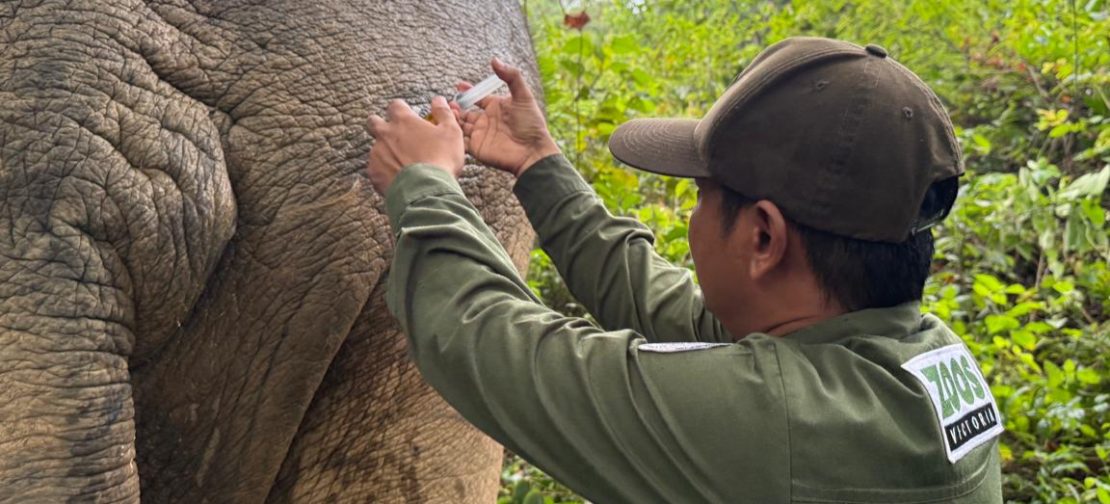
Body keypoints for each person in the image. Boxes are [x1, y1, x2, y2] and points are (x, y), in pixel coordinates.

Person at [366, 37, 1004, 503]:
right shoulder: (924, 361)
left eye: (701, 194)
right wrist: (539, 163)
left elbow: (488, 343)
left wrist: (424, 188)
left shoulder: (777, 427)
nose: (695, 217)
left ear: (763, 236)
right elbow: (675, 312)